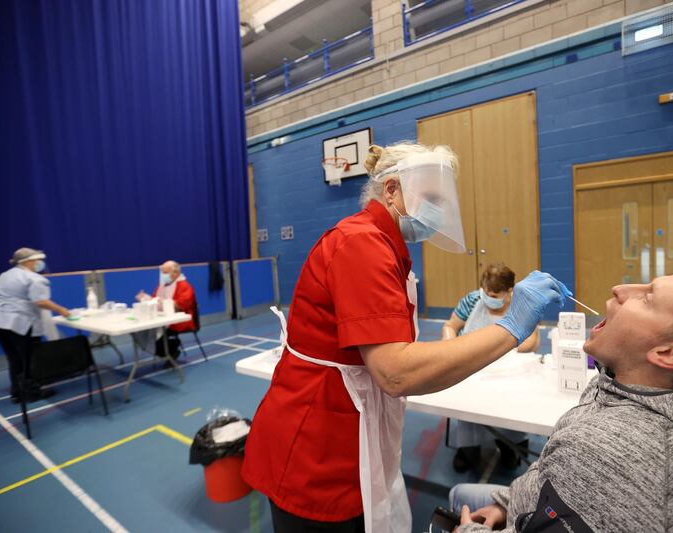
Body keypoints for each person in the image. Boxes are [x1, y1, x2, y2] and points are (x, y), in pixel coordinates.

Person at [242, 141, 572, 533]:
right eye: (430, 197)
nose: (437, 210)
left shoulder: (382, 244)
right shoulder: (361, 243)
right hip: (318, 448)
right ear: (392, 189)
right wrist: (510, 328)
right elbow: (396, 372)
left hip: (343, 432)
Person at [450, 273, 673, 533]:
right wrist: (508, 501)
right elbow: (552, 477)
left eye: (648, 297)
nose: (619, 288)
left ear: (670, 354)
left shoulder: (610, 452)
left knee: (457, 497)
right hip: (530, 501)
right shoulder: (627, 386)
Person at [442, 263, 539, 473]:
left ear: (509, 291)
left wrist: (513, 345)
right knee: (469, 405)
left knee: (509, 406)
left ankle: (510, 443)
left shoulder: (522, 306)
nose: (490, 296)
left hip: (508, 372)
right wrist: (450, 346)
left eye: (496, 294)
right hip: (471, 369)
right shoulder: (472, 301)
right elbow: (451, 326)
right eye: (487, 292)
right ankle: (467, 447)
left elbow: (532, 340)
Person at [0, 248, 70, 403]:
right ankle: (31, 393)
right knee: (30, 358)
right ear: (29, 261)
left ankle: (17, 392)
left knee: (14, 358)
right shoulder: (35, 278)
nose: (40, 264)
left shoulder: (5, 275)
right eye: (38, 260)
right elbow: (41, 301)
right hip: (18, 323)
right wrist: (62, 310)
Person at [134, 260, 196, 360]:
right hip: (160, 318)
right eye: (162, 272)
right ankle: (164, 350)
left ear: (176, 273)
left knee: (155, 335)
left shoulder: (185, 286)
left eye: (165, 273)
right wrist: (145, 298)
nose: (163, 275)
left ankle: (171, 349)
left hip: (178, 320)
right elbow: (154, 300)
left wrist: (160, 302)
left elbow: (180, 305)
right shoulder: (162, 286)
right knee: (141, 331)